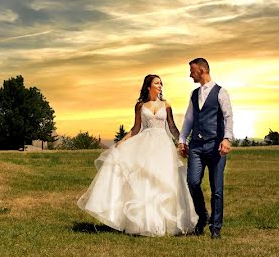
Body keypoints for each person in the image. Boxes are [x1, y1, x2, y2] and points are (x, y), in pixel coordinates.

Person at [77, 74, 197, 236]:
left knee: (164, 180)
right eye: (157, 83)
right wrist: (121, 142)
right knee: (145, 181)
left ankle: (167, 222)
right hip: (145, 144)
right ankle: (143, 223)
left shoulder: (166, 105)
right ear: (149, 86)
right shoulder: (140, 106)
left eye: (161, 83)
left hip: (163, 145)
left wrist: (181, 141)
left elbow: (172, 127)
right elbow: (135, 128)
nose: (160, 86)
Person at [177, 58, 234, 240]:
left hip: (215, 146)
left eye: (192, 71)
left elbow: (228, 117)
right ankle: (203, 217)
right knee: (193, 182)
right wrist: (181, 140)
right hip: (196, 146)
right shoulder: (194, 94)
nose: (190, 74)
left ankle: (215, 227)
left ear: (201, 70)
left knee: (217, 188)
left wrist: (227, 139)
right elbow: (188, 119)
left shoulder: (221, 92)